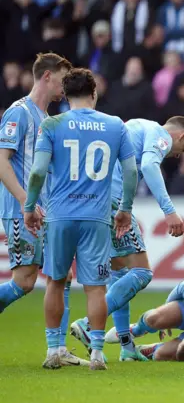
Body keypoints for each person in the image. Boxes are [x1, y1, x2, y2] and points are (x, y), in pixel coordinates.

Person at [23, 68, 138, 370]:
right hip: (97, 218)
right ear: (94, 92)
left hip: (59, 216)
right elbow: (130, 171)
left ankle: (52, 350)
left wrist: (30, 205)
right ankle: (97, 353)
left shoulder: (52, 124)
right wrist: (124, 208)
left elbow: (37, 172)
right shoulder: (115, 125)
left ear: (64, 94)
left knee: (55, 282)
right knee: (96, 287)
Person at [70, 116, 184, 362]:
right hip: (112, 200)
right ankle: (88, 322)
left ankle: (126, 347)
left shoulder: (136, 124)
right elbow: (149, 166)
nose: (179, 155)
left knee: (120, 273)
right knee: (142, 272)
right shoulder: (159, 133)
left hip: (92, 198)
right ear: (180, 136)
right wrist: (169, 211)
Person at [0, 54, 87, 366]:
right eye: (62, 79)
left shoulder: (49, 118)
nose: (65, 87)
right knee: (24, 281)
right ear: (47, 76)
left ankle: (58, 349)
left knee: (60, 276)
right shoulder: (19, 113)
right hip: (22, 210)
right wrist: (26, 201)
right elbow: (1, 161)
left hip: (48, 212)